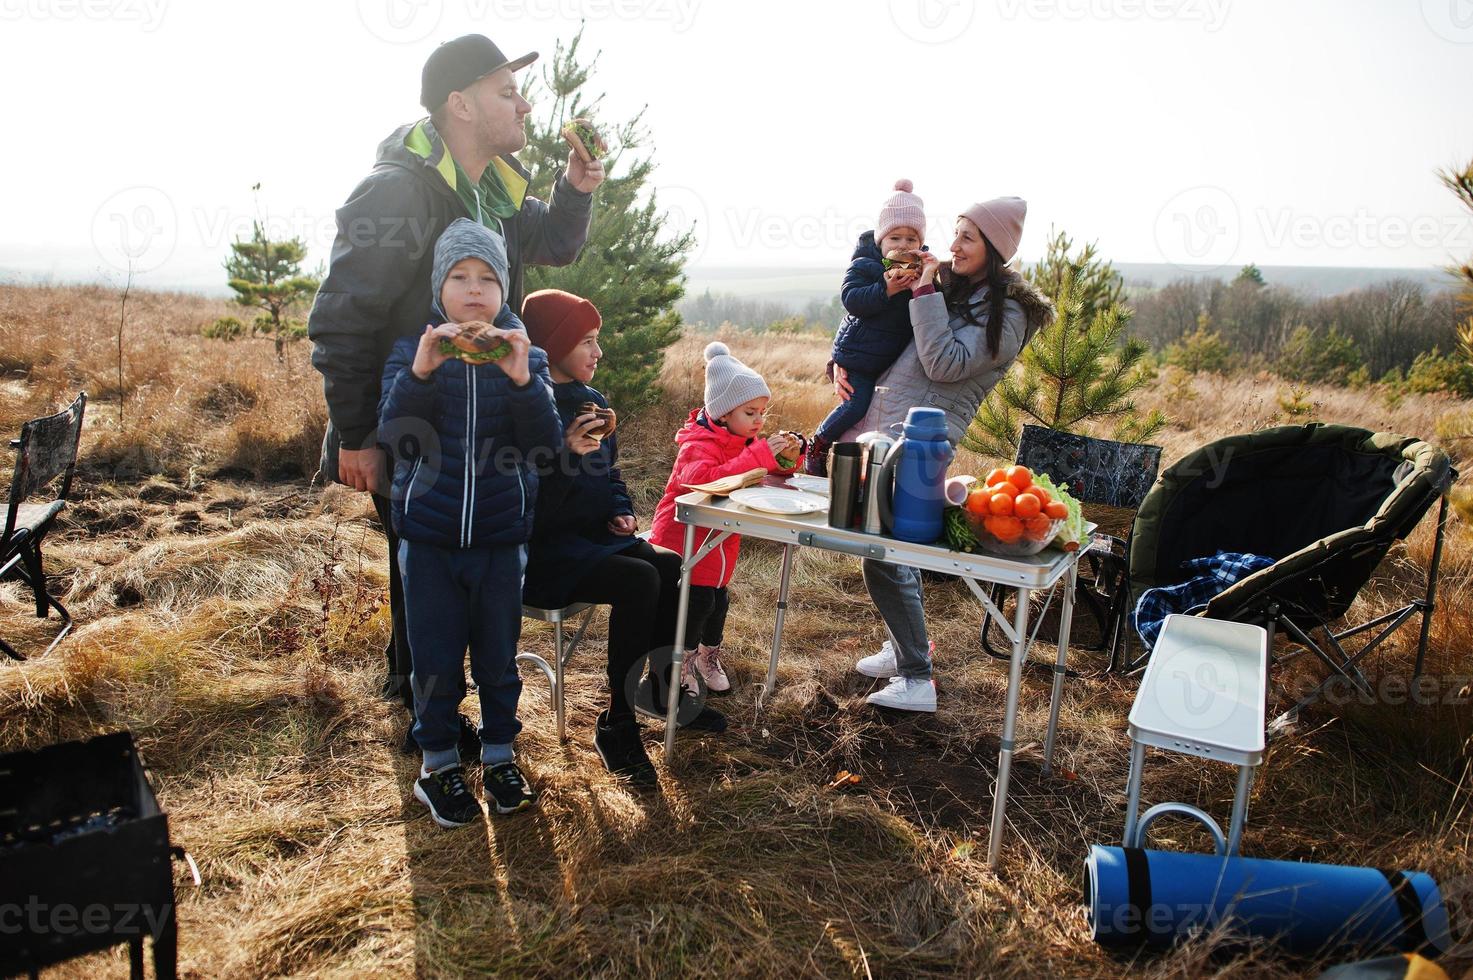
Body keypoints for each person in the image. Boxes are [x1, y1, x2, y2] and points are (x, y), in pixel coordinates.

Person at [307, 33, 603, 750]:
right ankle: (431, 733)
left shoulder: (491, 190)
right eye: (507, 92)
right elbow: (341, 322)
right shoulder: (397, 192)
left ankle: (439, 711)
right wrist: (356, 436)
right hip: (412, 422)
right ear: (459, 104)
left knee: (448, 571)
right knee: (422, 576)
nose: (525, 103)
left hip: (486, 424)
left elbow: (553, 243)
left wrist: (575, 190)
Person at [837, 198, 1056, 712]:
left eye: (967, 238)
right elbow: (884, 327)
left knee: (884, 552)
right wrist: (840, 360)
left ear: (995, 251)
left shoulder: (1010, 312)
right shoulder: (957, 290)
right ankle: (905, 648)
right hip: (888, 425)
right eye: (955, 233)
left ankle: (917, 679)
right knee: (889, 550)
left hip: (921, 439)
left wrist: (923, 291)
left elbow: (944, 362)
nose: (952, 246)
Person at [379, 219, 562, 827]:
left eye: (487, 278)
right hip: (429, 539)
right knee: (432, 654)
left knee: (497, 654)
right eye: (460, 276)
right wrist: (422, 373)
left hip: (498, 539)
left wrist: (520, 383)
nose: (475, 289)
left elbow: (544, 447)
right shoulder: (414, 352)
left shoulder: (525, 356)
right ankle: (436, 765)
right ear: (441, 288)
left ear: (503, 290)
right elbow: (396, 436)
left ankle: (501, 753)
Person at [519, 288, 683, 789]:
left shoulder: (595, 404)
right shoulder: (532, 407)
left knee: (669, 563)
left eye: (598, 340)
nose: (598, 352)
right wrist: (566, 452)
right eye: (587, 340)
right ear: (554, 343)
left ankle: (657, 687)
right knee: (637, 579)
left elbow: (610, 475)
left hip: (593, 542)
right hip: (544, 557)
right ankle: (618, 724)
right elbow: (530, 512)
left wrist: (620, 510)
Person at [646, 343, 804, 719]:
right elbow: (702, 480)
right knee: (696, 604)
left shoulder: (745, 441)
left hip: (719, 544)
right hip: (684, 541)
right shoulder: (698, 444)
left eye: (763, 413)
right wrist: (759, 456)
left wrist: (786, 456)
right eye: (750, 412)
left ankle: (706, 657)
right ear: (722, 412)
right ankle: (678, 665)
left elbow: (757, 471)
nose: (758, 421)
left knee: (718, 603)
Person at [807, 179, 929, 475]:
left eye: (911, 240)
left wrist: (926, 279)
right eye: (894, 239)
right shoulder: (866, 265)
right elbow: (851, 300)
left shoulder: (920, 270)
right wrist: (885, 289)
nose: (902, 246)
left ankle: (868, 472)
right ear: (880, 241)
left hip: (890, 357)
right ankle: (819, 443)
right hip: (859, 355)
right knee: (856, 405)